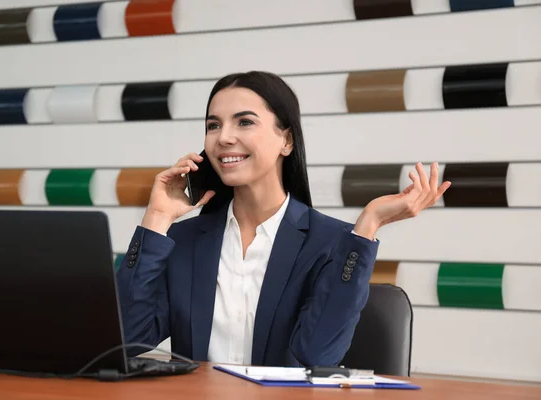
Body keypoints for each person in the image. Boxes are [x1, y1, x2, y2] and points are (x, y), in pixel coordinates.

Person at [116, 71, 451, 367]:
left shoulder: (330, 240)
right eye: (213, 125)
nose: (223, 138)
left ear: (286, 140)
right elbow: (129, 338)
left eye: (244, 122)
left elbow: (317, 355)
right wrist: (157, 217)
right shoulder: (185, 239)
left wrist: (366, 227)